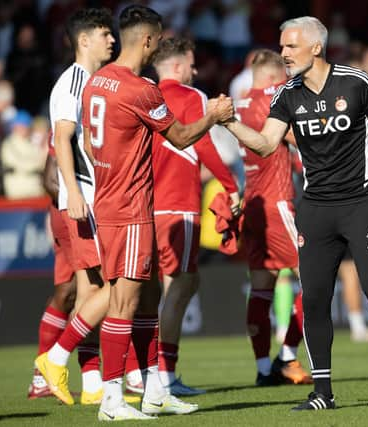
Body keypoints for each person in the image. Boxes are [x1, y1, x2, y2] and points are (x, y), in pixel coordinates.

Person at [223, 16, 368, 410]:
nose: (283, 53)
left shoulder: (358, 83)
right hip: (316, 208)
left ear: (315, 48)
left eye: (290, 46)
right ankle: (322, 393)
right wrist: (230, 122)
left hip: (361, 203)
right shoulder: (287, 94)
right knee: (316, 298)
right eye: (282, 46)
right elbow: (267, 144)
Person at [82, 5, 233, 421]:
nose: (159, 45)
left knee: (148, 300)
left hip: (118, 202)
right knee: (124, 303)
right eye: (159, 38)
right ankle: (112, 401)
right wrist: (214, 116)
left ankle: (154, 392)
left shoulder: (98, 81)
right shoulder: (141, 89)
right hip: (129, 207)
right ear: (147, 41)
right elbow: (182, 137)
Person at [143, 36, 240, 396]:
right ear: (179, 66)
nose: (196, 70)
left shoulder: (146, 95)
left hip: (146, 206)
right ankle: (163, 375)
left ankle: (138, 371)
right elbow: (204, 145)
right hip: (178, 203)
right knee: (183, 283)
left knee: (152, 289)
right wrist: (230, 185)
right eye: (192, 63)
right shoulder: (193, 96)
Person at [35, 8, 115, 406]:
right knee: (115, 286)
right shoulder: (73, 82)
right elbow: (63, 138)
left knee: (91, 290)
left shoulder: (95, 81)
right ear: (84, 40)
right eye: (105, 34)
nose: (112, 40)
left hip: (90, 198)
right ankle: (55, 358)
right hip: (83, 199)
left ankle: (94, 383)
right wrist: (74, 191)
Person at [234, 49, 311, 386]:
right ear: (271, 77)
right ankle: (289, 356)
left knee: (261, 287)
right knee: (315, 278)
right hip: (277, 202)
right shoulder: (274, 97)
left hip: (251, 201)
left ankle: (264, 369)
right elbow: (301, 136)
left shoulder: (239, 103)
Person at [28, 144, 76, 399]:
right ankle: (46, 368)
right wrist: (77, 203)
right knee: (81, 289)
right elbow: (49, 179)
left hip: (71, 212)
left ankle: (43, 375)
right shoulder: (66, 114)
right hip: (71, 213)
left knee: (71, 291)